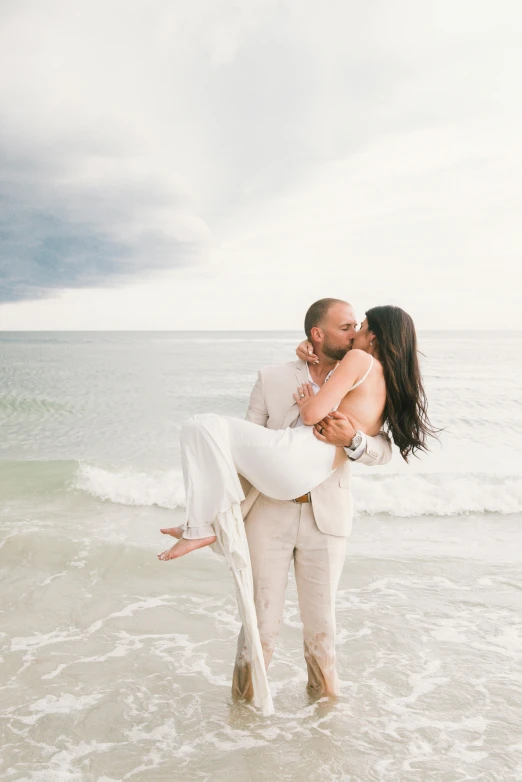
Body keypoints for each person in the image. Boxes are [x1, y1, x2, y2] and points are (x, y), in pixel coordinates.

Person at [158, 302, 436, 713]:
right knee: (260, 625)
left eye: (357, 327)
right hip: (272, 508)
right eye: (345, 326)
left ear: (369, 336)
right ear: (317, 334)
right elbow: (245, 447)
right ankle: (244, 715)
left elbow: (382, 450)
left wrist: (352, 438)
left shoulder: (361, 365)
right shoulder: (273, 378)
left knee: (322, 629)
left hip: (326, 516)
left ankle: (324, 722)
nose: (352, 332)